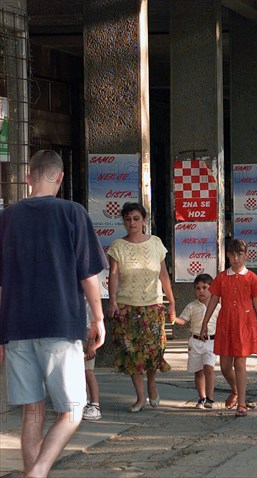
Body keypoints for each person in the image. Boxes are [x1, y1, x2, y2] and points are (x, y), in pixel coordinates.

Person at [0, 150, 107, 478]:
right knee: (74, 410)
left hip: (16, 328)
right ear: (60, 177)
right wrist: (98, 318)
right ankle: (38, 472)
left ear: (29, 177)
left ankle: (34, 472)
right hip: (60, 326)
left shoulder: (6, 218)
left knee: (32, 413)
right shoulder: (73, 213)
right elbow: (89, 276)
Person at [108, 202, 176, 413]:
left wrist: (171, 302)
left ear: (144, 220)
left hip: (152, 306)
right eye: (128, 219)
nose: (132, 223)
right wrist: (112, 302)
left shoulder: (156, 243)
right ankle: (140, 397)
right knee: (131, 353)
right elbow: (114, 276)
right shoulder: (117, 246)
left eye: (136, 218)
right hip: (127, 307)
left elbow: (163, 274)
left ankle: (152, 384)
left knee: (153, 350)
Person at [200, 239, 257, 418]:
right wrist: (205, 322)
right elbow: (213, 300)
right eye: (232, 254)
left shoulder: (252, 278)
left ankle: (242, 404)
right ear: (227, 255)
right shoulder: (222, 277)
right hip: (226, 324)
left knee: (240, 363)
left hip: (245, 324)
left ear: (246, 255)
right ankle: (236, 390)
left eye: (239, 254)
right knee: (224, 366)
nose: (236, 258)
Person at [172, 273, 221, 409]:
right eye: (198, 288)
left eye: (205, 287)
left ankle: (210, 399)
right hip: (195, 342)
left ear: (212, 289)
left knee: (209, 368)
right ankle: (202, 398)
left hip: (211, 341)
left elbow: (223, 323)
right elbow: (183, 320)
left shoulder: (217, 306)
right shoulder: (192, 306)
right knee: (198, 371)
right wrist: (174, 318)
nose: (201, 291)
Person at [83, 302, 102, 420]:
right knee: (79, 372)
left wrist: (91, 343)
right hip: (73, 334)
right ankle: (84, 402)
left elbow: (94, 321)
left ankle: (95, 405)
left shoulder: (87, 294)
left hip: (87, 334)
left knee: (88, 372)